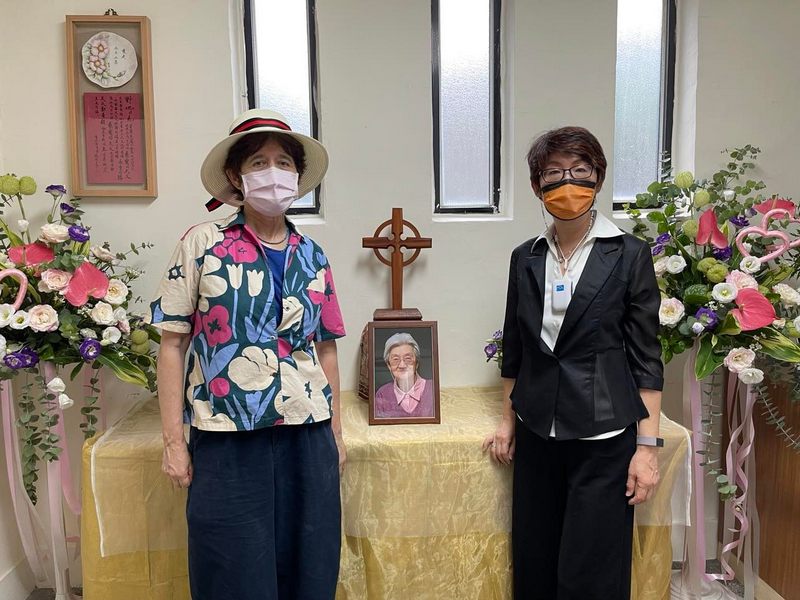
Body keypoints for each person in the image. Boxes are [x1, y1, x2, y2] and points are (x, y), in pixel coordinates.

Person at [149, 108, 346, 600]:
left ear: (298, 176)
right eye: (259, 162)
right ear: (236, 176)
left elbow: (326, 347)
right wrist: (174, 442)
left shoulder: (312, 254)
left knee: (310, 562)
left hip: (308, 430)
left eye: (284, 162)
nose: (273, 172)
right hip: (226, 433)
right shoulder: (203, 244)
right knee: (233, 568)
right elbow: (172, 344)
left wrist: (337, 434)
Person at [482, 126, 664, 599]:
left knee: (592, 570)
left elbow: (646, 357)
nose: (568, 183)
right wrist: (507, 421)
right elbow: (516, 349)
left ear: (598, 178)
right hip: (538, 428)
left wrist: (647, 449)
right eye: (554, 173)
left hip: (604, 433)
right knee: (536, 560)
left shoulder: (628, 254)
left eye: (579, 170)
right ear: (536, 185)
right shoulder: (526, 257)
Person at [374, 332, 435, 418]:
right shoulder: (382, 394)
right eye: (395, 359)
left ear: (417, 363)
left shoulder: (433, 388)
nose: (402, 365)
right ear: (389, 365)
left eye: (408, 358)